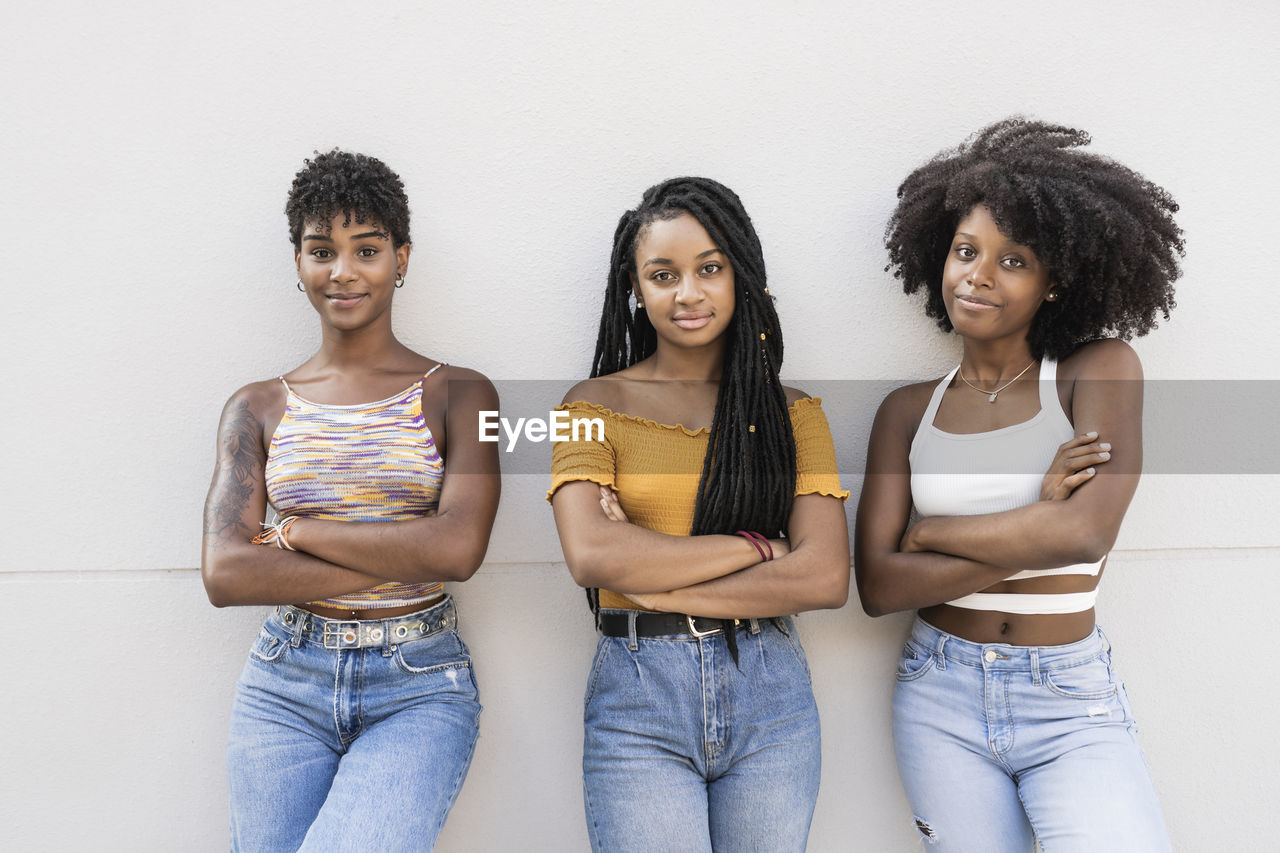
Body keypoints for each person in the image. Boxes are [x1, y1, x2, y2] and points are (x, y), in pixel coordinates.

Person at [855, 118, 1184, 851]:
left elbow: (1086, 530)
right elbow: (879, 584)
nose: (978, 273)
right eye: (967, 251)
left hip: (1069, 699)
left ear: (1054, 280)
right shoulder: (908, 411)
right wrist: (1036, 517)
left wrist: (931, 533)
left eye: (1013, 260)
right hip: (940, 693)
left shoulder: (1095, 372)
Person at [200, 150, 500, 851]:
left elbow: (459, 549)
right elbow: (226, 574)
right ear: (298, 261)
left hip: (419, 683)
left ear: (401, 258)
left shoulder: (464, 393)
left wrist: (299, 531)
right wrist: (407, 547)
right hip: (283, 684)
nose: (343, 271)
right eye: (321, 250)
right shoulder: (256, 406)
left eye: (366, 249)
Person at [548, 177, 850, 853]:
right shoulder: (590, 407)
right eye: (664, 274)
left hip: (771, 694)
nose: (688, 293)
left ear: (740, 274)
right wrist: (759, 546)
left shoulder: (793, 413)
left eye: (709, 268)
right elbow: (593, 556)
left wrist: (650, 570)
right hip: (638, 695)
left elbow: (826, 577)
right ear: (636, 285)